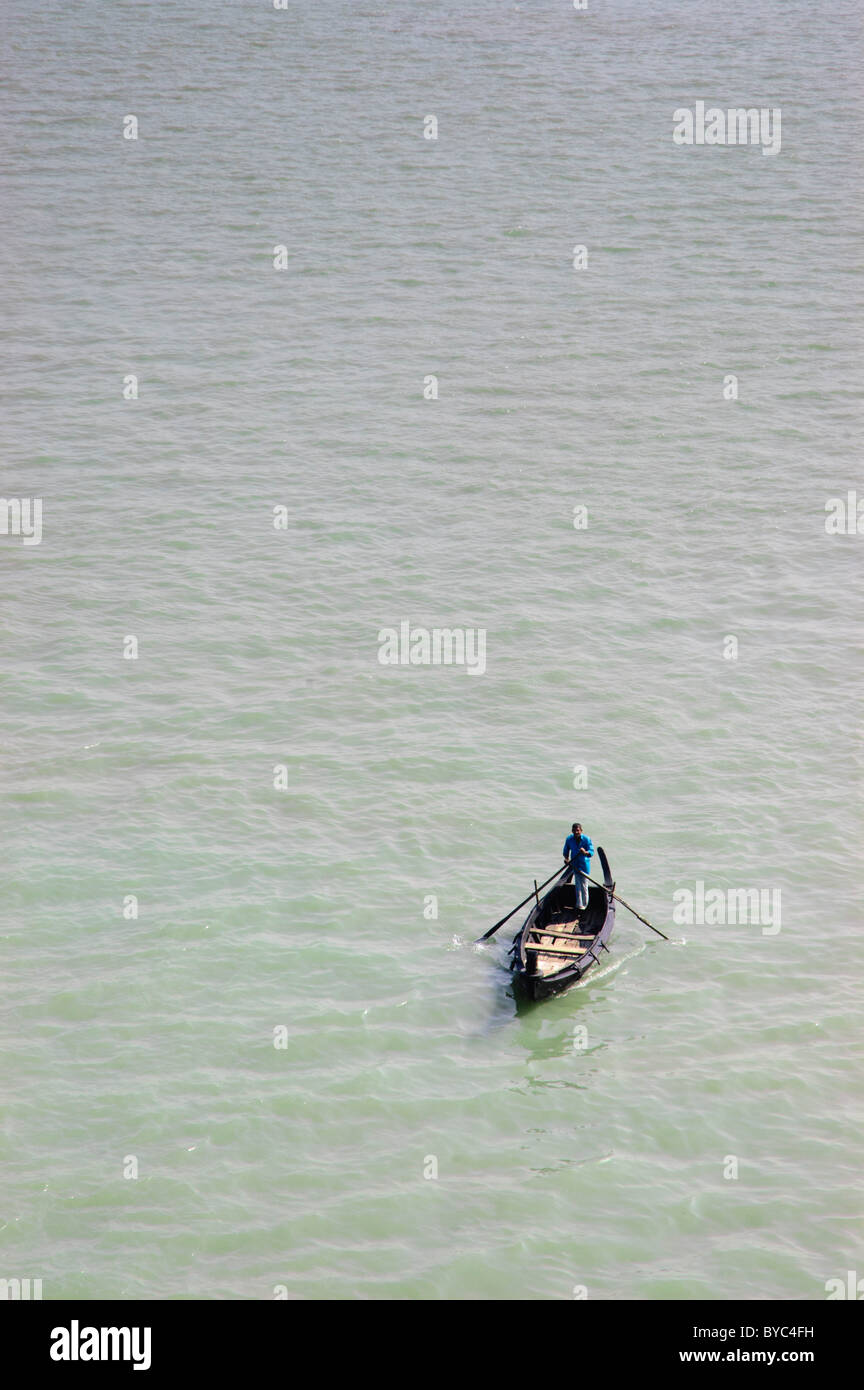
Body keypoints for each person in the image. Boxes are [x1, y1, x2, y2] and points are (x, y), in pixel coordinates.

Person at [563, 822, 594, 911]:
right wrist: (566, 859)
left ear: (581, 831)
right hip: (575, 865)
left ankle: (584, 905)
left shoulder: (586, 839)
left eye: (578, 830)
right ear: (572, 831)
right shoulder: (569, 839)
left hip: (584, 866)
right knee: (578, 886)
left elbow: (591, 852)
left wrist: (585, 852)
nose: (576, 832)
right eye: (574, 830)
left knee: (584, 885)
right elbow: (566, 851)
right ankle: (579, 905)